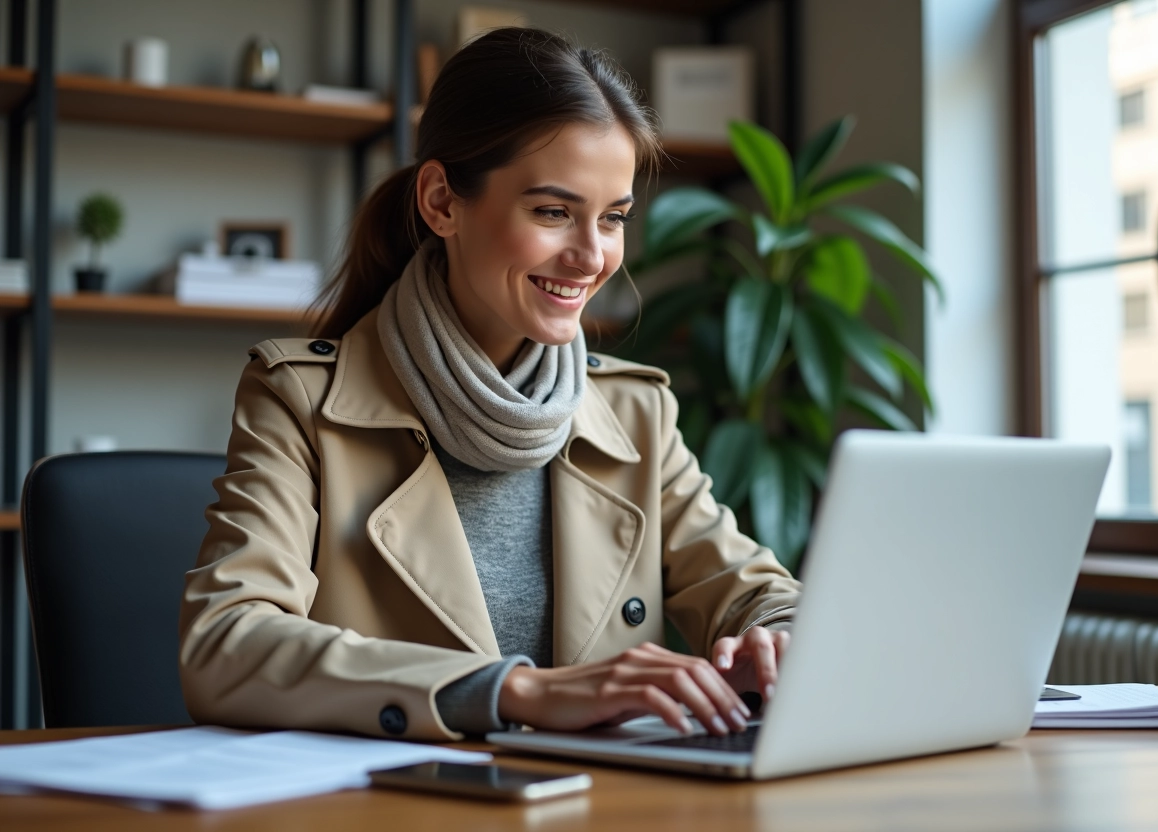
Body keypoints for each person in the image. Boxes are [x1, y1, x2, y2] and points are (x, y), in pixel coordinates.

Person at [178, 27, 801, 743]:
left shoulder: (634, 411)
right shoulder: (298, 398)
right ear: (442, 201)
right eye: (553, 211)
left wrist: (777, 635)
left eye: (614, 218)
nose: (592, 257)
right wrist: (519, 691)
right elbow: (224, 644)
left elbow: (752, 588)